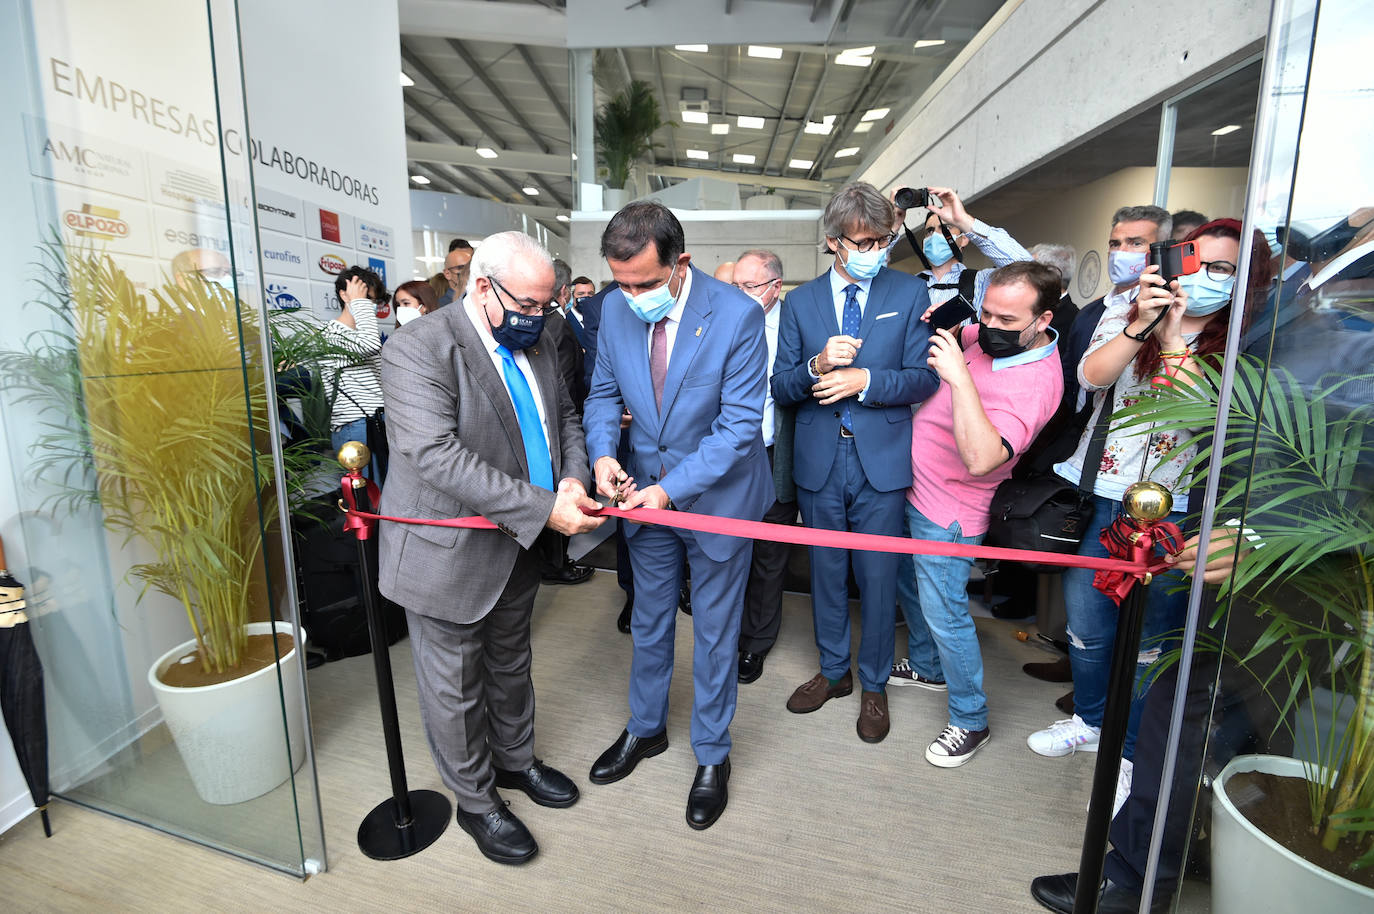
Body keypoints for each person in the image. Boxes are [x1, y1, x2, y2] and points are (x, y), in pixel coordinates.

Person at [377, 231, 605, 866]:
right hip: (446, 551)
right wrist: (544, 509)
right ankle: (476, 801)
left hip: (520, 543)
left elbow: (564, 417)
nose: (541, 317)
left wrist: (571, 479)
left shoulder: (533, 339)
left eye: (548, 305)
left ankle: (515, 762)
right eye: (529, 305)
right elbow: (435, 455)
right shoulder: (419, 348)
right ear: (482, 287)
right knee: (454, 684)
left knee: (510, 663)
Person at [1026, 219, 1250, 787]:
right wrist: (1144, 322)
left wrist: (1174, 338)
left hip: (1178, 508)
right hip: (1104, 494)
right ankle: (1091, 720)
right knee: (1089, 625)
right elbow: (1091, 376)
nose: (1208, 279)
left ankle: (1131, 753)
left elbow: (1199, 407)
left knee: (1154, 640)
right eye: (1200, 265)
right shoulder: (1131, 310)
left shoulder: (1245, 338)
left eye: (1224, 269)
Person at [582, 201, 772, 831]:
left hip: (718, 496)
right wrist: (605, 454)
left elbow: (740, 428)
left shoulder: (738, 315)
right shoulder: (612, 308)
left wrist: (670, 491)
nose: (631, 296)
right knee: (649, 617)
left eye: (645, 282)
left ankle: (713, 754)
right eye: (621, 282)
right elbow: (603, 392)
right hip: (639, 491)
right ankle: (646, 728)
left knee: (717, 630)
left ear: (680, 263)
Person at [772, 181, 939, 744]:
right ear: (833, 243)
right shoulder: (800, 302)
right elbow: (782, 386)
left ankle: (873, 684)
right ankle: (833, 671)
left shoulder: (910, 294)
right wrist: (817, 365)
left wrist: (866, 380)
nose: (874, 251)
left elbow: (924, 377)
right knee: (825, 573)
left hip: (883, 459)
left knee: (878, 576)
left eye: (882, 240)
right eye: (862, 242)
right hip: (820, 458)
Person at [891, 262, 1063, 767]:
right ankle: (927, 668)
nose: (989, 328)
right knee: (913, 590)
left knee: (947, 616)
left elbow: (983, 457)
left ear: (1042, 319)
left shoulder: (1036, 381)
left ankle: (971, 719)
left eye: (1006, 321)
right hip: (911, 488)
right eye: (986, 313)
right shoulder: (985, 334)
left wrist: (959, 379)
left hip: (951, 510)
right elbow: (954, 329)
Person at [731, 248, 794, 684]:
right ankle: (726, 630)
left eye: (747, 286)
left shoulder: (796, 323)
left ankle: (755, 642)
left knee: (769, 551)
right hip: (729, 453)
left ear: (774, 288)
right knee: (730, 545)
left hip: (776, 453)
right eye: (734, 285)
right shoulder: (724, 319)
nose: (738, 293)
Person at [539, 258, 594, 586]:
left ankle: (557, 560)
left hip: (567, 421)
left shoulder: (556, 323)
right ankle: (555, 564)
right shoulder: (554, 324)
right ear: (565, 290)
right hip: (559, 424)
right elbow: (559, 383)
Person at [908, 185, 1033, 311]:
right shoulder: (908, 284)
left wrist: (963, 220)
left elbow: (1028, 269)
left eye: (946, 229)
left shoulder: (981, 281)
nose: (935, 236)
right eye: (929, 231)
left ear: (964, 239)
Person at [323, 267, 386, 479]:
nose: (371, 307)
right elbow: (370, 344)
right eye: (366, 300)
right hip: (355, 426)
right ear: (344, 295)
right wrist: (359, 301)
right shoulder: (331, 335)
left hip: (373, 422)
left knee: (382, 495)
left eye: (372, 302)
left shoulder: (359, 334)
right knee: (367, 499)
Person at [439, 239, 474, 307]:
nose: (468, 271)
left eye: (470, 266)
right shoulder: (441, 306)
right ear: (447, 274)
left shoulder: (478, 299)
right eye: (461, 267)